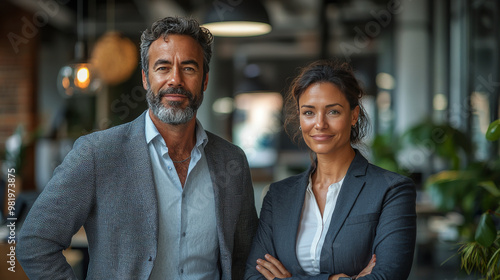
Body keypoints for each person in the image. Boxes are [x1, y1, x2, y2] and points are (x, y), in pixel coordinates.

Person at [17, 16, 258, 280]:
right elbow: (35, 241)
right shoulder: (98, 154)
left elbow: (244, 257)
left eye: (189, 68)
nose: (175, 80)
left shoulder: (231, 161)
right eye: (163, 68)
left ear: (205, 80)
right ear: (145, 78)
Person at [244, 60, 416, 280]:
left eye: (333, 112)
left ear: (354, 115)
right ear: (299, 117)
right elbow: (253, 276)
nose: (320, 124)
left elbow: (387, 277)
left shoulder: (391, 190)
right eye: (309, 113)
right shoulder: (278, 196)